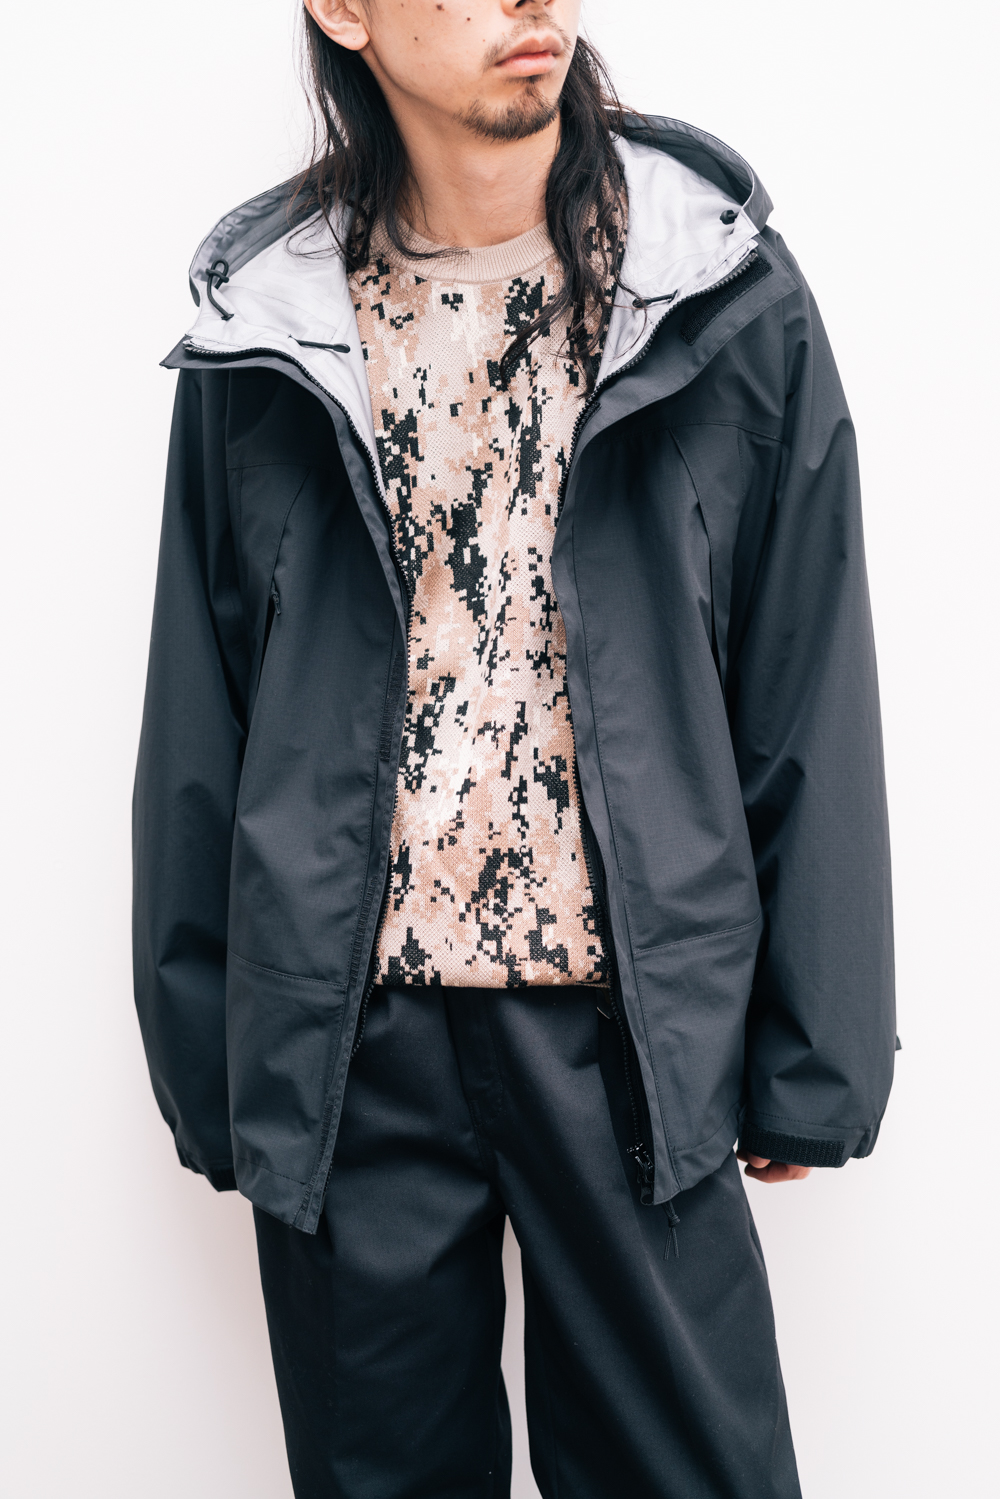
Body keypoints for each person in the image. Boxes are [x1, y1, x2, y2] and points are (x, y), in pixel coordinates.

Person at [133, 1, 896, 1493]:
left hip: (634, 1038)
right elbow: (202, 713)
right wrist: (215, 1053)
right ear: (343, 11)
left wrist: (817, 1051)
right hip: (352, 1047)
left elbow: (804, 673)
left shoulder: (714, 289)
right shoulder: (269, 321)